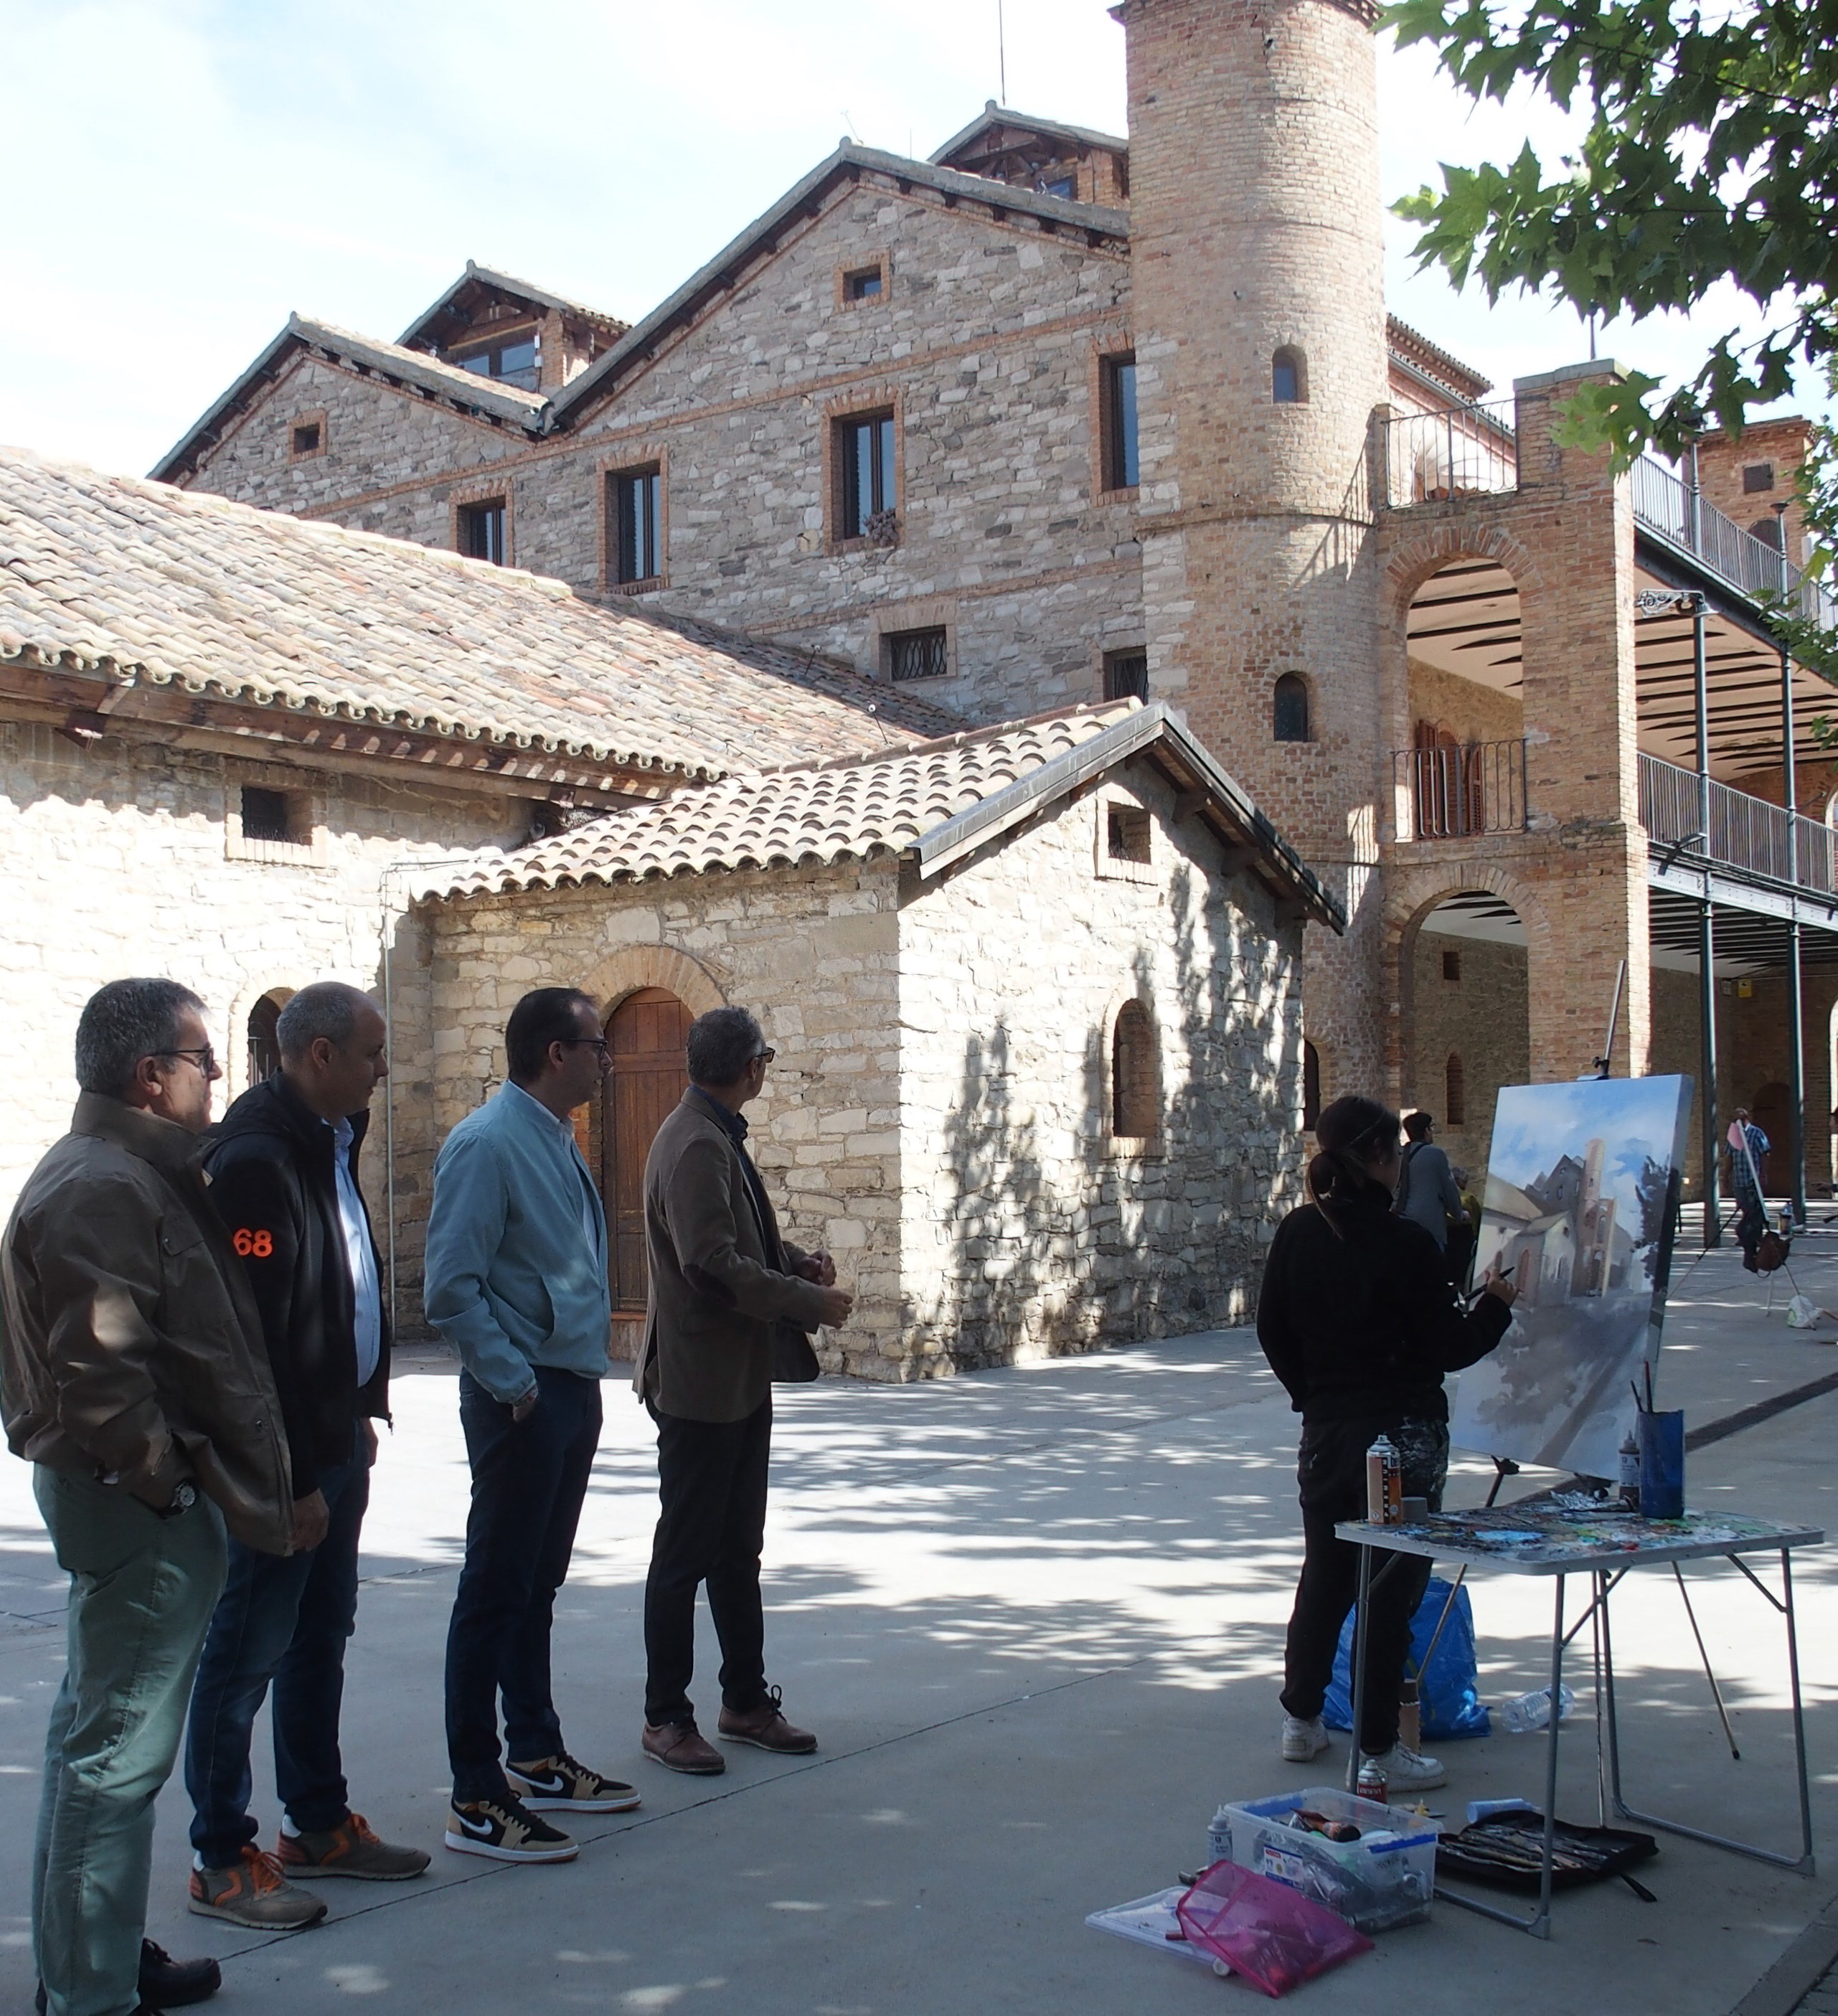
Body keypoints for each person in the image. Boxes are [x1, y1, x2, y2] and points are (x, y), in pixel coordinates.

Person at [1, 980, 292, 2016]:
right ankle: (86, 1992)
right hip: (134, 1509)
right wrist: (171, 1486)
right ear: (149, 1076)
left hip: (136, 1505)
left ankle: (96, 1957)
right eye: (204, 1059)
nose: (218, 1076)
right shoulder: (104, 1184)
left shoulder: (129, 1171)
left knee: (100, 1742)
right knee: (113, 1759)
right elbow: (103, 1375)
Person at [182, 984, 428, 1931]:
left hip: (334, 1441)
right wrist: (287, 1480)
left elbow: (339, 1284)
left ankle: (318, 1822)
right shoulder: (254, 1157)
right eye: (369, 1051)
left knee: (320, 1636)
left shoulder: (329, 1132)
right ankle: (219, 1852)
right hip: (281, 1463)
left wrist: (359, 1407)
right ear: (316, 1053)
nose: (382, 1067)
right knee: (247, 1649)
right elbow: (257, 1338)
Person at [424, 986, 638, 1863]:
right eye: (598, 1045)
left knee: (535, 1584)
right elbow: (451, 1286)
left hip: (568, 1384)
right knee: (494, 1590)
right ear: (557, 1051)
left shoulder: (553, 1133)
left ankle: (537, 1752)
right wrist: (512, 1381)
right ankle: (478, 1793)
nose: (606, 1059)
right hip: (523, 1393)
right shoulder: (485, 1143)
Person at [1258, 1095, 1517, 1791]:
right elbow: (1448, 1344)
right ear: (1377, 1157)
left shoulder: (1300, 1231)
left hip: (1330, 1434)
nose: (1401, 1164)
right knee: (1389, 1590)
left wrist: (1312, 1395)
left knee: (1326, 1577)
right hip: (1401, 1436)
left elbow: (1273, 1330)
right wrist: (1497, 1305)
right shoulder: (1404, 1243)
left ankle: (1302, 1717)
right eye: (1396, 1152)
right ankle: (1376, 1748)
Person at [636, 1007, 853, 1776]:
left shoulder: (709, 1129)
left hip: (732, 1381)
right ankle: (667, 1716)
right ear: (752, 1065)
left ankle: (745, 1700)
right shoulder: (697, 1141)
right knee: (685, 1553)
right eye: (767, 1057)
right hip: (700, 1386)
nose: (769, 1067)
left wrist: (796, 1263)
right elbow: (711, 1264)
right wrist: (806, 1304)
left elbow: (738, 1239)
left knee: (736, 1549)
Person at [1394, 1111, 1464, 1265]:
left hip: (1402, 1220)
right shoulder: (1435, 1154)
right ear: (1426, 1130)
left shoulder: (1401, 1153)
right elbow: (1449, 1190)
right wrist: (1459, 1214)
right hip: (1428, 1223)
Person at [1728, 1106, 1771, 1271]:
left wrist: (1763, 1175)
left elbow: (1765, 1153)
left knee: (1755, 1210)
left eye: (1740, 1119)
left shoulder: (1756, 1133)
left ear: (1746, 1118)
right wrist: (1725, 1174)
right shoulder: (1734, 1135)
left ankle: (1754, 1238)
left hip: (1752, 1179)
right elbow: (1730, 1155)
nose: (1737, 1122)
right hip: (1739, 1179)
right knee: (1744, 1210)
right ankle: (1747, 1237)